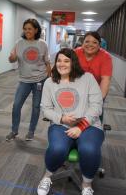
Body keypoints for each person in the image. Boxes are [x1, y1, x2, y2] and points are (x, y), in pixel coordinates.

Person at [37, 48, 103, 195]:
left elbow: (97, 106)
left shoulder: (88, 78)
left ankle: (86, 185)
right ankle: (47, 177)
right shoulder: (49, 82)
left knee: (89, 149)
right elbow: (46, 108)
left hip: (88, 125)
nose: (62, 64)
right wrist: (61, 118)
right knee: (57, 148)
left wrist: (81, 126)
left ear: (73, 63)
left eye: (66, 60)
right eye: (59, 60)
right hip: (61, 125)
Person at [6, 18, 51, 141]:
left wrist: (50, 80)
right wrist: (12, 57)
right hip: (24, 80)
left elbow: (47, 63)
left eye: (30, 29)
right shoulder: (19, 43)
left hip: (39, 80)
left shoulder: (42, 44)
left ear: (36, 30)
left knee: (36, 106)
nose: (27, 31)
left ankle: (31, 131)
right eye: (25, 29)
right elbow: (11, 59)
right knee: (16, 105)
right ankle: (14, 131)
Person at [75, 31, 112, 121]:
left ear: (99, 45)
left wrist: (98, 100)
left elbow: (105, 80)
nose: (90, 45)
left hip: (97, 89)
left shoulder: (105, 57)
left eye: (94, 42)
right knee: (76, 111)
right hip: (77, 88)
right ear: (82, 43)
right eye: (87, 41)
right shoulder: (75, 53)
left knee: (95, 114)